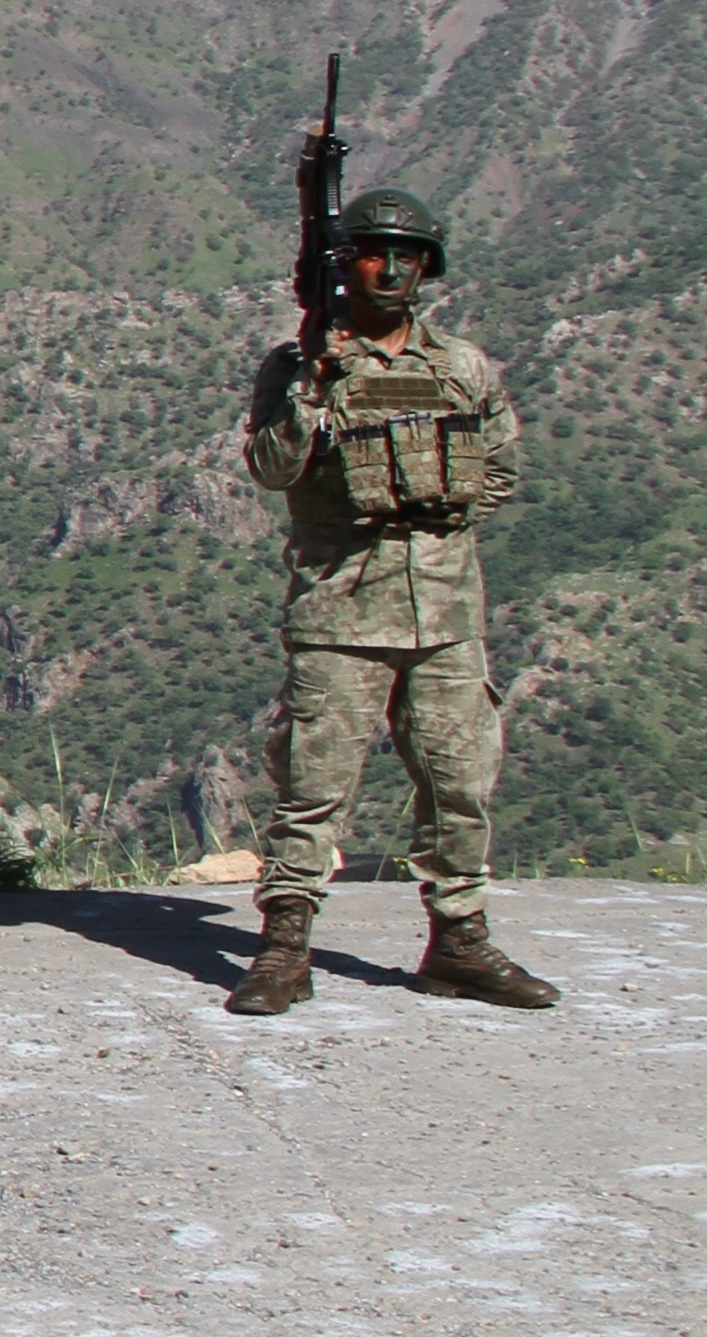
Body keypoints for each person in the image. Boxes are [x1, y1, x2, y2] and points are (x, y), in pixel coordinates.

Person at [233, 188, 552, 1012]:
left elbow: (500, 469)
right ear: (347, 265)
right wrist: (311, 389)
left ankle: (460, 943)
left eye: (408, 255)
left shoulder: (462, 367)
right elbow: (269, 468)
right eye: (375, 252)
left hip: (446, 617)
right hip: (340, 612)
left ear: (427, 269)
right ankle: (284, 948)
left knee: (459, 784)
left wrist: (431, 519)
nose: (392, 268)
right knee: (313, 789)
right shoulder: (297, 365)